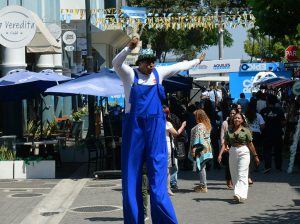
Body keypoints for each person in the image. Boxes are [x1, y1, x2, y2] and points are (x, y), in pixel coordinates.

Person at [112, 36, 206, 224]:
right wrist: (129, 48)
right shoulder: (130, 75)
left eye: (153, 62)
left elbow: (179, 66)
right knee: (131, 176)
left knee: (158, 178)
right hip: (135, 127)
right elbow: (116, 63)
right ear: (139, 63)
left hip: (155, 127)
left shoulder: (159, 73)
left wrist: (197, 61)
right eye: (147, 62)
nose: (151, 65)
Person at [218, 113, 260, 203]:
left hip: (243, 151)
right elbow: (225, 143)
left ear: (242, 120)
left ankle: (238, 194)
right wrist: (220, 154)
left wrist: (255, 156)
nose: (236, 119)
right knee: (234, 174)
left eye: (238, 118)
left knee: (242, 173)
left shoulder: (246, 131)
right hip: (232, 151)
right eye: (235, 118)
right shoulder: (229, 131)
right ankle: (239, 194)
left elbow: (250, 144)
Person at [164, 106, 186, 196]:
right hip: (167, 145)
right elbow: (176, 133)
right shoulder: (166, 123)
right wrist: (183, 125)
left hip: (158, 146)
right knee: (168, 169)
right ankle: (167, 188)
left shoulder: (155, 123)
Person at [189, 109, 213, 193]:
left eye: (195, 116)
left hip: (200, 148)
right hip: (207, 148)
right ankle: (202, 184)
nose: (194, 117)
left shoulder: (199, 126)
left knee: (201, 166)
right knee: (203, 166)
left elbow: (198, 138)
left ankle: (203, 185)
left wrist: (194, 149)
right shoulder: (206, 124)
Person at [260, 95, 285, 173]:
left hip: (266, 133)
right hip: (277, 133)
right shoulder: (279, 111)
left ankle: (268, 166)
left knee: (267, 150)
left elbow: (261, 123)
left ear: (268, 101)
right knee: (278, 151)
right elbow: (283, 122)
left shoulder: (263, 111)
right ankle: (278, 167)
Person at [220, 108, 238, 189]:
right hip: (227, 146)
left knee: (236, 164)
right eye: (231, 113)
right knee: (228, 164)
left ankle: (235, 180)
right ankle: (228, 180)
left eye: (234, 113)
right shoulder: (225, 123)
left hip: (236, 145)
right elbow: (222, 135)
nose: (232, 115)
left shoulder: (238, 123)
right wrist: (224, 146)